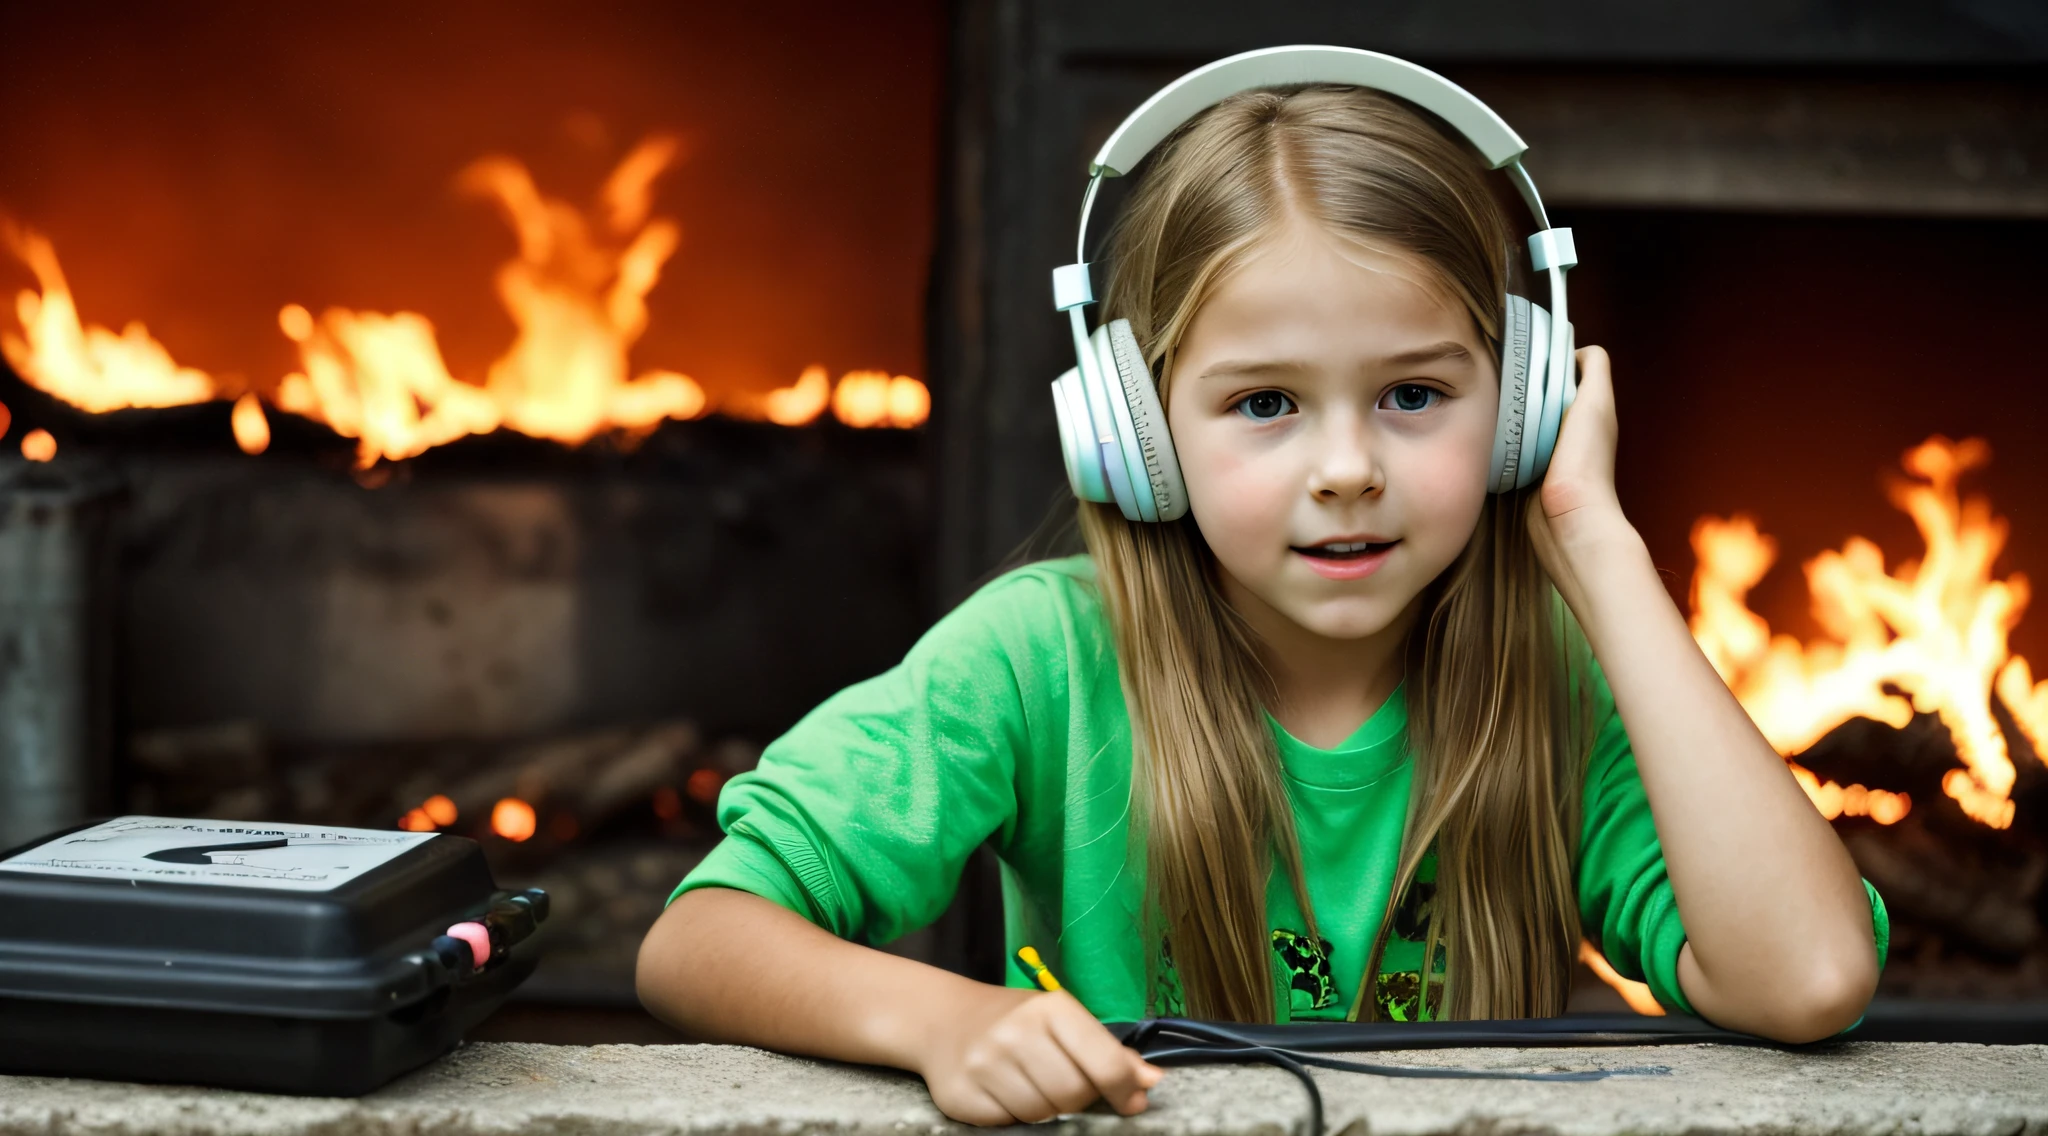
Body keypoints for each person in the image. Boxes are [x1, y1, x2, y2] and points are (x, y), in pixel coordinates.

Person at [637, 71, 1885, 1127]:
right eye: (1264, 403)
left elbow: (1809, 975)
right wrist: (943, 1016)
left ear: (1519, 411)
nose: (1346, 469)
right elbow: (698, 940)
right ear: (1129, 429)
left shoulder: (1548, 669)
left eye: (1412, 394)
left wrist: (1593, 540)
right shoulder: (1038, 657)